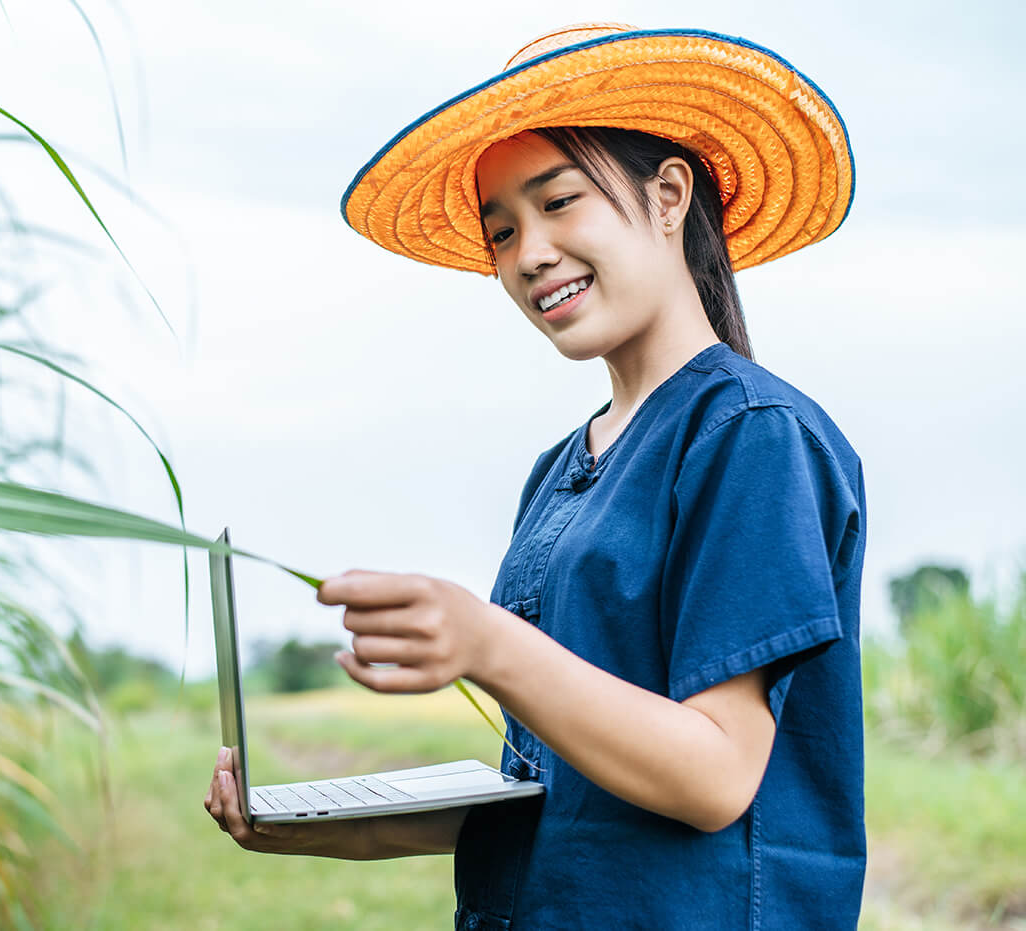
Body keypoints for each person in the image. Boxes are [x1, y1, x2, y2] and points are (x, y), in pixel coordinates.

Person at [205, 22, 866, 930]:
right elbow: (553, 796)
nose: (529, 255)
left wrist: (487, 644)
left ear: (669, 195)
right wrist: (304, 824)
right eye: (502, 230)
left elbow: (715, 776)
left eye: (559, 203)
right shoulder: (558, 471)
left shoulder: (751, 435)